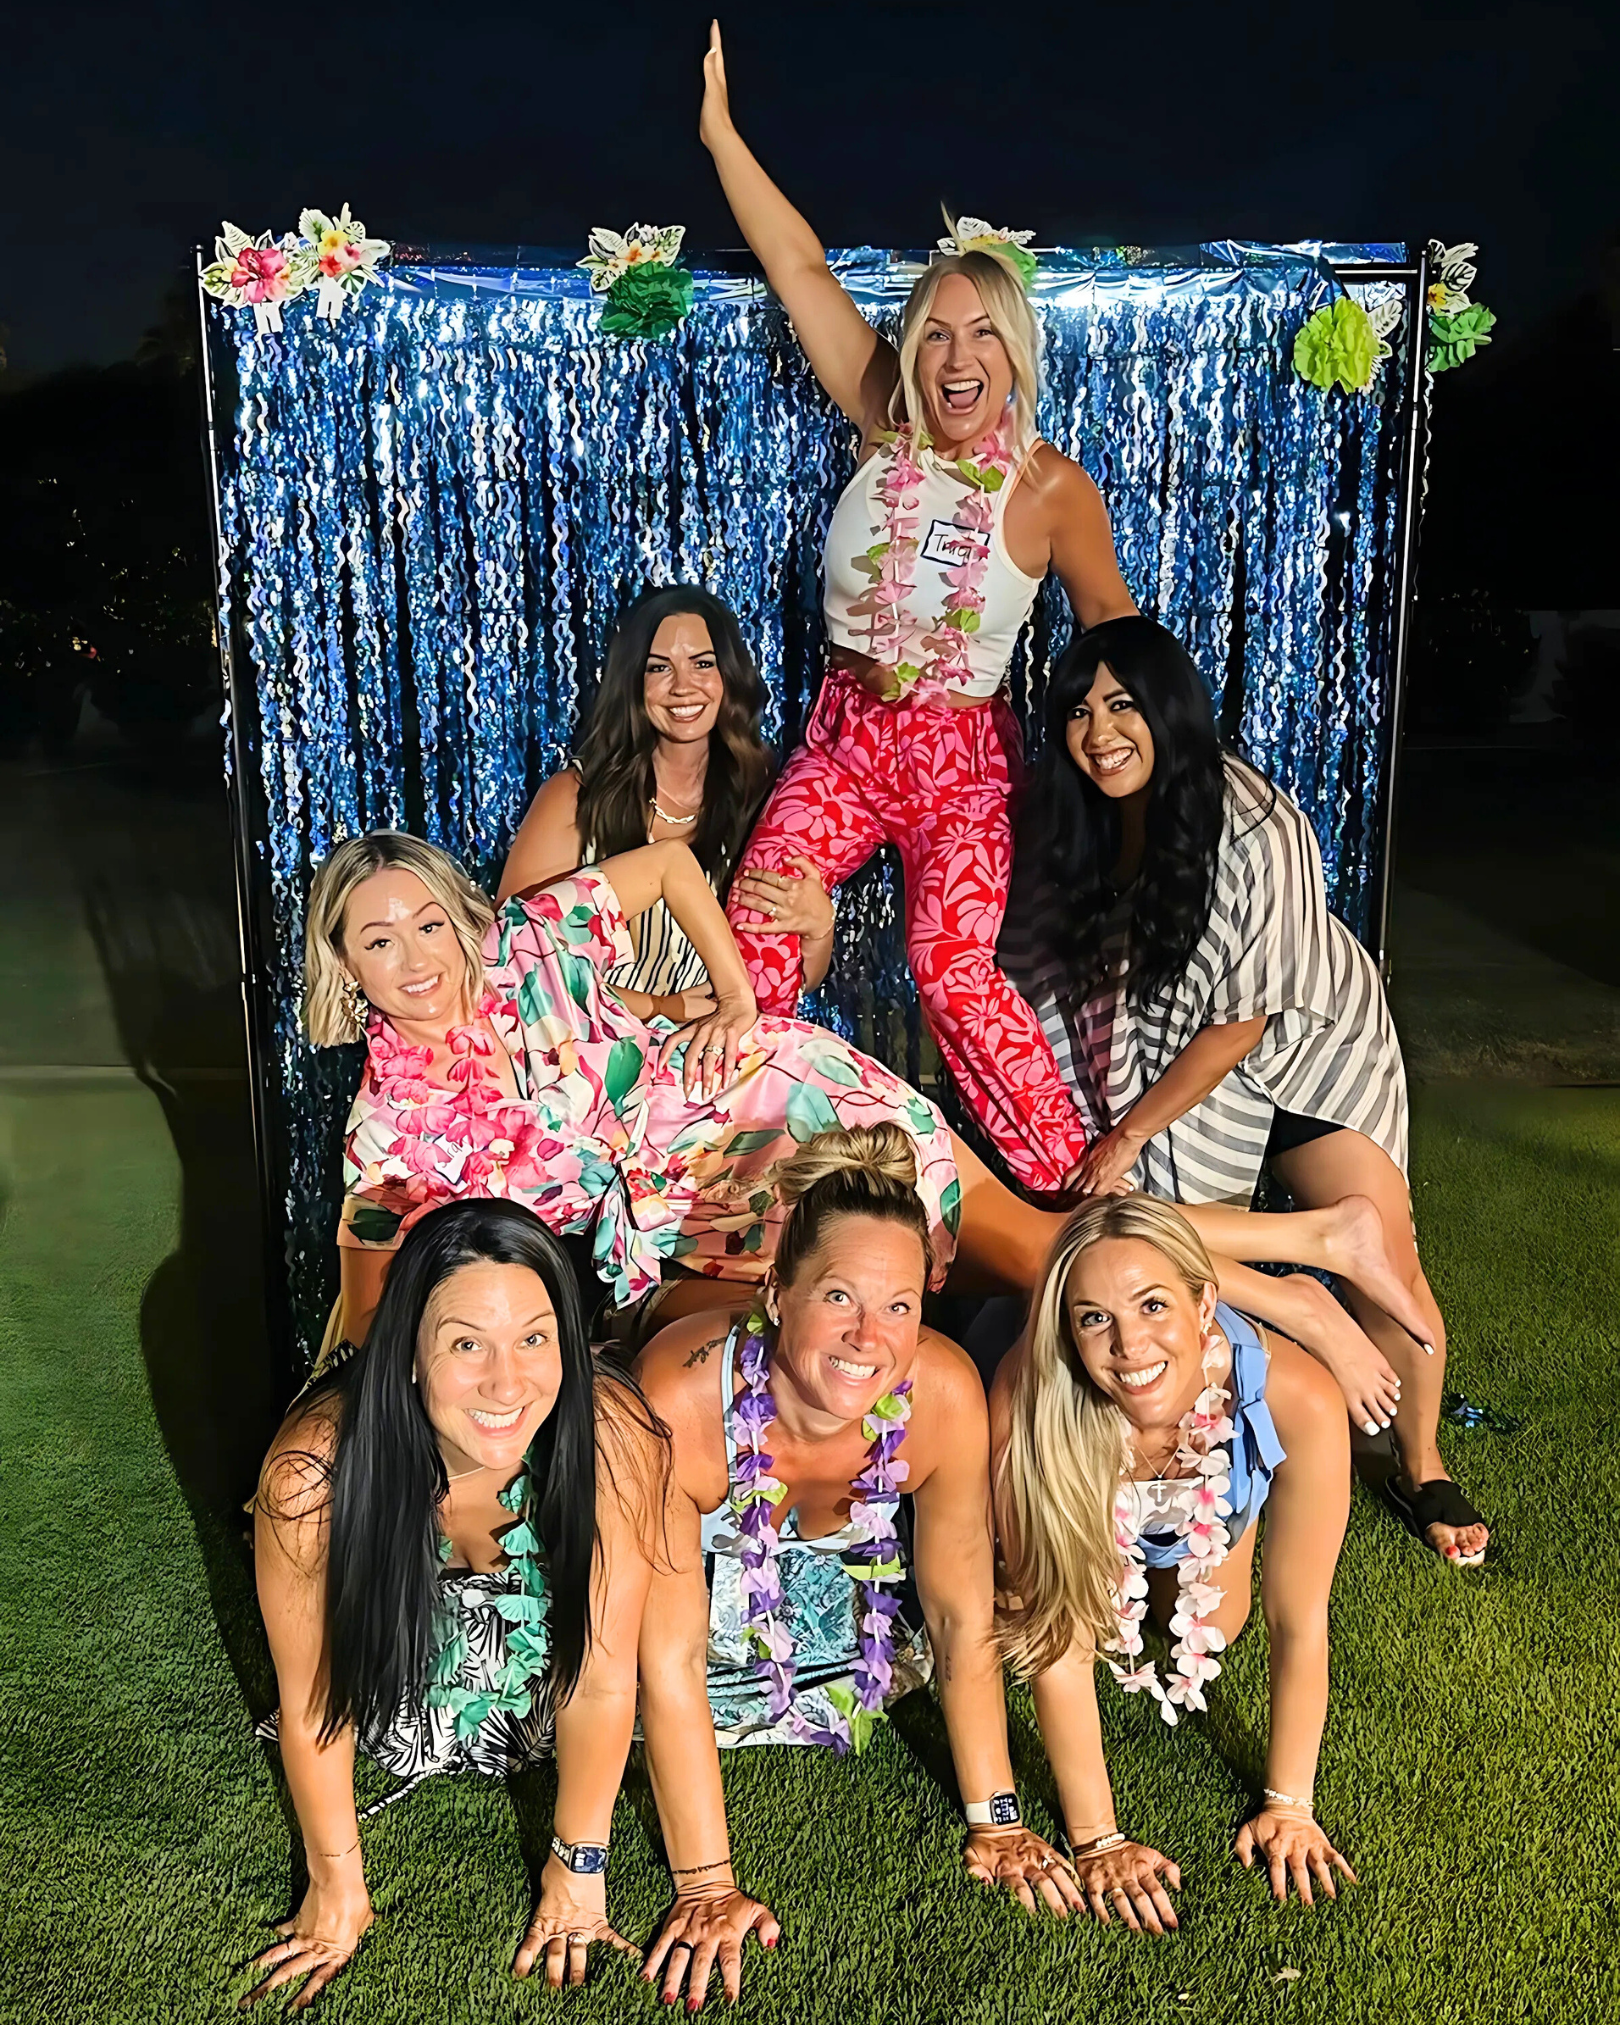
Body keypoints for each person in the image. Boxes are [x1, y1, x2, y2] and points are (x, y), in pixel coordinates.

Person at [308, 827, 1450, 1405]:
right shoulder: (390, 1126)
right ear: (347, 968)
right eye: (378, 939)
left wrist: (739, 998)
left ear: (461, 921)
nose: (415, 957)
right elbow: (368, 1293)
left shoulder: (530, 942)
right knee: (1024, 1251)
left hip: (776, 1111)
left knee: (1038, 1250)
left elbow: (664, 865)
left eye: (425, 924)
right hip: (698, 1213)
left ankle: (1298, 1275)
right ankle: (1301, 1250)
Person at [698, 22, 1137, 1195]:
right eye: (934, 329)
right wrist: (720, 136)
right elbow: (798, 268)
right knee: (761, 922)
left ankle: (1077, 1191)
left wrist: (1139, 769)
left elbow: (1118, 643)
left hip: (962, 760)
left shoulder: (1049, 489)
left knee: (950, 970)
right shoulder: (883, 416)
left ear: (1014, 349)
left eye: (980, 331)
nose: (954, 354)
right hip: (845, 738)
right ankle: (743, 1180)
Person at [1000, 616, 1487, 1567]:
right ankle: (1285, 1303)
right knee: (1153, 1234)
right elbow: (1045, 960)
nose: (1100, 730)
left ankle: (1418, 1460)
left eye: (1124, 704)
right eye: (1080, 709)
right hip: (1166, 1039)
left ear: (1171, 710)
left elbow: (1243, 1023)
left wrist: (1132, 1129)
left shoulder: (1254, 823)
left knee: (1385, 1247)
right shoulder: (1075, 816)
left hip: (1298, 1032)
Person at [243, 1198, 776, 2010]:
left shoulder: (612, 1438)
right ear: (411, 1353)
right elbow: (314, 1699)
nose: (507, 1381)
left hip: (552, 1695)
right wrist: (336, 1885)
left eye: (534, 1338)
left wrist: (578, 1871)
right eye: (467, 1343)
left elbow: (601, 1681)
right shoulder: (311, 1476)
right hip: (396, 1689)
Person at [633, 1123, 1090, 1949]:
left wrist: (998, 1820)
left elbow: (958, 1613)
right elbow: (664, 1656)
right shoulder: (678, 1402)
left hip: (840, 1634)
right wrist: (706, 1885)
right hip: (680, 1615)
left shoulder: (944, 1393)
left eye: (900, 1306)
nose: (869, 1336)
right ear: (777, 1291)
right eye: (839, 1296)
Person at [990, 1196, 1357, 1930]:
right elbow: (1055, 1643)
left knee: (1221, 1621)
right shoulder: (1029, 1396)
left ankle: (1184, 1551)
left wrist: (1290, 1802)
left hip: (1212, 1495)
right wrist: (1098, 1838)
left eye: (1153, 1304)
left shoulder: (1302, 1398)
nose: (1129, 1343)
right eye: (1094, 1316)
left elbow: (1298, 1613)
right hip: (1079, 1469)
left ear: (1204, 1302)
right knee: (1045, 1610)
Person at [498, 583, 835, 1014]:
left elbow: (797, 979)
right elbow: (513, 962)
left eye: (702, 663)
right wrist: (662, 1006)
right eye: (659, 668)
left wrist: (820, 928)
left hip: (728, 1051)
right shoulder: (575, 799)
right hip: (606, 1056)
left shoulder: (768, 796)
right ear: (632, 680)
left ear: (729, 675)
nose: (683, 686)